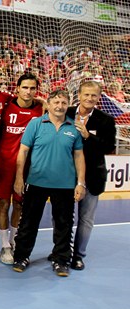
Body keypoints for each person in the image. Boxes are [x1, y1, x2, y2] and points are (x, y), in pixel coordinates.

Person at [12, 89, 86, 277]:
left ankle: (61, 260)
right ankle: (21, 256)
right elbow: (23, 152)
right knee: (28, 222)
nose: (60, 106)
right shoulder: (36, 124)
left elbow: (79, 156)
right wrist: (19, 178)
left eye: (64, 102)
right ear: (49, 103)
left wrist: (80, 183)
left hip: (65, 185)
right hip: (36, 182)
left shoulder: (73, 128)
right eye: (57, 102)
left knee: (64, 225)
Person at [0, 73, 43, 264]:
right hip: (5, 165)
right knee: (3, 204)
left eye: (32, 88)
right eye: (25, 87)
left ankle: (14, 242)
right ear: (17, 89)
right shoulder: (6, 106)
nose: (28, 92)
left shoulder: (40, 110)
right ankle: (5, 245)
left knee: (19, 205)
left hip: (28, 167)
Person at [67, 81, 116, 270]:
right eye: (86, 94)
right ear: (78, 94)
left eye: (93, 96)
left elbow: (108, 147)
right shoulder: (67, 112)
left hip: (93, 177)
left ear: (99, 97)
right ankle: (62, 250)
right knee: (62, 216)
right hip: (67, 175)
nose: (89, 99)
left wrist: (88, 136)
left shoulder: (106, 120)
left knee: (86, 219)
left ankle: (78, 255)